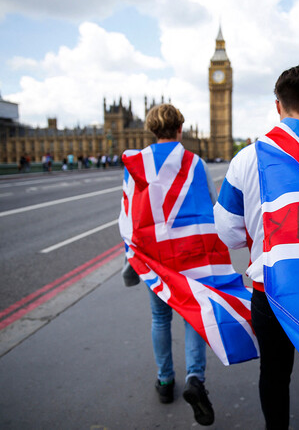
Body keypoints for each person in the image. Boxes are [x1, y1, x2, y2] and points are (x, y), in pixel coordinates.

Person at [214, 64, 299, 429]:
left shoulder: (247, 158)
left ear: (278, 105)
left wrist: (260, 234)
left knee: (274, 374)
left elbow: (227, 231)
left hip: (272, 287)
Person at [120, 104, 215, 426]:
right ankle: (195, 379)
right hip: (190, 254)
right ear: (180, 129)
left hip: (154, 257)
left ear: (151, 130)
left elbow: (128, 212)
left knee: (160, 318)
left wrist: (129, 257)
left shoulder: (136, 162)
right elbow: (209, 207)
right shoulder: (195, 162)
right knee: (192, 316)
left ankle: (164, 382)